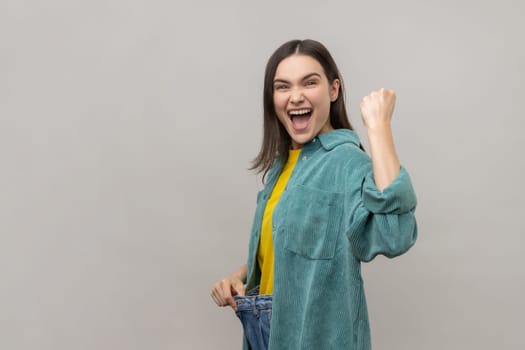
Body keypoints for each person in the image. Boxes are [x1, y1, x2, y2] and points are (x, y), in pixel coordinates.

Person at [211, 39, 417, 350]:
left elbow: (394, 235)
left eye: (309, 83)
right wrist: (240, 275)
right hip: (264, 332)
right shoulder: (281, 167)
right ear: (272, 98)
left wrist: (378, 127)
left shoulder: (347, 162)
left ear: (333, 90)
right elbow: (297, 244)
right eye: (283, 87)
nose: (295, 96)